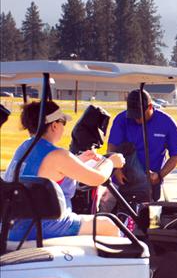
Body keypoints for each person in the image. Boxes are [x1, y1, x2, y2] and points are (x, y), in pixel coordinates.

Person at [5, 100, 126, 241]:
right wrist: (111, 162)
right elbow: (98, 178)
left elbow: (49, 170)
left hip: (14, 226)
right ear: (54, 126)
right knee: (110, 225)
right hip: (43, 227)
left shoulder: (24, 147)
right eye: (63, 123)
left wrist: (77, 161)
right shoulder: (58, 155)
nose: (64, 128)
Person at [107, 89, 177, 201]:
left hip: (150, 184)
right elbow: (112, 147)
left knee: (150, 216)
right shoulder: (121, 120)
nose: (137, 119)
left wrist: (160, 175)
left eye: (139, 115)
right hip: (120, 181)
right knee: (109, 211)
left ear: (150, 107)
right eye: (133, 115)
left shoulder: (167, 123)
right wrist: (116, 170)